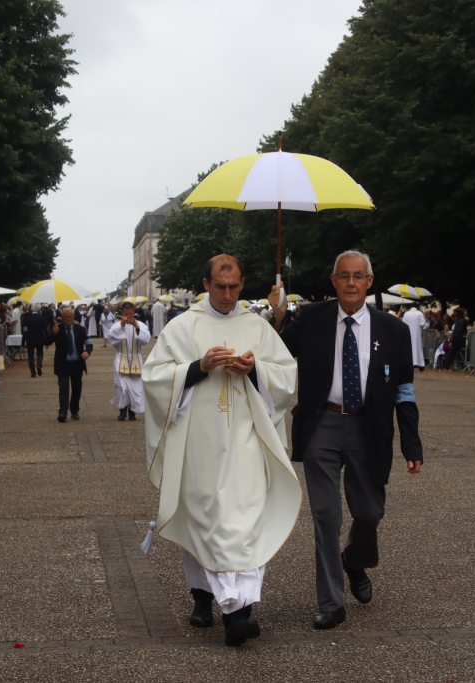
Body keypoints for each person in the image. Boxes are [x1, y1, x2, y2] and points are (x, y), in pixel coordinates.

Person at [142, 254, 299, 646]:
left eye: (233, 287)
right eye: (219, 286)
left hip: (247, 441)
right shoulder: (183, 326)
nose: (227, 295)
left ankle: (238, 612)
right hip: (200, 443)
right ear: (206, 284)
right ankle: (203, 597)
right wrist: (197, 367)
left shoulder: (257, 327)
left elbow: (286, 377)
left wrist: (255, 369)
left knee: (245, 520)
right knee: (205, 517)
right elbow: (155, 378)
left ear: (242, 284)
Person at [269, 250, 422, 630]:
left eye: (358, 276)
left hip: (369, 428)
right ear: (333, 280)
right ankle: (331, 603)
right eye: (344, 276)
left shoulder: (393, 330)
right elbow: (278, 352)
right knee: (326, 517)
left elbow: (404, 390)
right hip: (322, 424)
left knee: (370, 513)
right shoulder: (312, 318)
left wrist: (412, 444)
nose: (351, 283)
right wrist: (279, 314)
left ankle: (353, 560)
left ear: (369, 281)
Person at [46, 307, 92, 422]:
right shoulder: (58, 329)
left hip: (77, 364)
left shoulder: (80, 329)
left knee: (77, 388)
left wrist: (87, 351)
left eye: (69, 317)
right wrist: (53, 333)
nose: (67, 319)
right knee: (63, 387)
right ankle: (63, 412)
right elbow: (47, 342)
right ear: (61, 318)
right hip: (63, 364)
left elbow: (89, 343)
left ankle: (74, 410)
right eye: (65, 317)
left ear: (73, 317)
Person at [108, 302, 150, 421]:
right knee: (122, 387)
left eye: (130, 314)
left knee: (136, 388)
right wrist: (121, 326)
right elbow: (111, 339)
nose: (128, 316)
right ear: (122, 313)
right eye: (126, 314)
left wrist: (137, 328)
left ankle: (133, 411)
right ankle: (122, 410)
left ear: (134, 312)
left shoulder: (141, 324)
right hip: (121, 357)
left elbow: (146, 340)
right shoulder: (116, 325)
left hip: (136, 358)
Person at [21, 305, 47, 377]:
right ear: (39, 310)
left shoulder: (27, 319)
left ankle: (33, 372)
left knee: (30, 356)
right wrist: (47, 341)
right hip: (40, 338)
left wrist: (23, 343)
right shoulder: (42, 318)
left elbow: (25, 331)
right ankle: (39, 363)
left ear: (31, 310)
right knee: (40, 353)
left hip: (30, 339)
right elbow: (45, 330)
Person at [402, 303, 426, 370]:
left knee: (410, 346)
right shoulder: (420, 313)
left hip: (409, 332)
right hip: (417, 333)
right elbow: (423, 323)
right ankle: (419, 363)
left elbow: (403, 323)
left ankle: (410, 361)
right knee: (418, 347)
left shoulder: (406, 314)